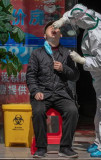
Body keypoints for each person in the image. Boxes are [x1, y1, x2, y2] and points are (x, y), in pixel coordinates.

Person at [53, 3, 101, 157]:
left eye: (76, 23)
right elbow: (76, 10)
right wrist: (63, 20)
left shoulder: (100, 36)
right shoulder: (93, 16)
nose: (76, 25)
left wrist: (82, 60)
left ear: (82, 20)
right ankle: (100, 142)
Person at [26, 21, 79, 158]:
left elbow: (75, 75)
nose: (54, 29)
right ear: (45, 35)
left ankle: (65, 147)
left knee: (72, 111)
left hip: (61, 92)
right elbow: (30, 76)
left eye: (56, 28)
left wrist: (63, 68)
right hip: (43, 92)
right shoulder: (37, 54)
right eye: (51, 28)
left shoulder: (67, 53)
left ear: (60, 34)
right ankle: (41, 148)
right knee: (38, 111)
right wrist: (35, 91)